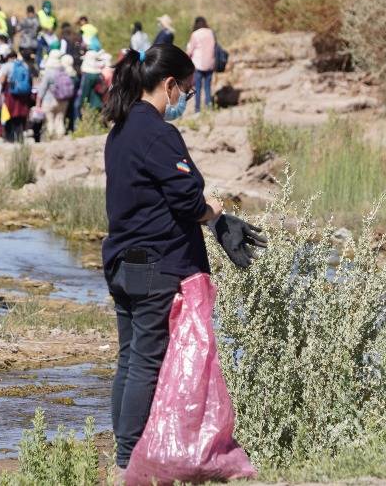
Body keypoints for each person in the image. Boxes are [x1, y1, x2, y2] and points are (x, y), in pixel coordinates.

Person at [100, 44, 265, 474]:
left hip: (122, 260)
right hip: (154, 264)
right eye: (188, 91)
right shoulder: (156, 132)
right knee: (146, 362)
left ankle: (124, 455)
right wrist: (218, 218)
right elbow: (188, 198)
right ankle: (130, 462)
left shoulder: (120, 129)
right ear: (169, 85)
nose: (187, 100)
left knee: (129, 356)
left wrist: (212, 218)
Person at [36, 50, 74, 139]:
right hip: (64, 100)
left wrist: (38, 102)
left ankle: (51, 139)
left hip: (49, 100)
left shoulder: (48, 72)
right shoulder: (64, 70)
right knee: (60, 120)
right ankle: (60, 138)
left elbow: (42, 88)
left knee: (49, 120)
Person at [0, 51, 32, 142]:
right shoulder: (24, 65)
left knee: (9, 113)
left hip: (11, 92)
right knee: (20, 114)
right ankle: (20, 137)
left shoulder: (6, 66)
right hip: (23, 94)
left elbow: (2, 80)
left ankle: (10, 137)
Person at [186, 16, 216, 112]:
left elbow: (190, 51)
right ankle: (209, 106)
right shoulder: (210, 32)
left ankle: (197, 109)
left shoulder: (195, 34)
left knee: (198, 87)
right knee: (207, 87)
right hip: (210, 64)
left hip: (198, 64)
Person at [36, 0, 57, 65]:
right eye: (46, 7)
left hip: (50, 36)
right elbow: (37, 25)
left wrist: (52, 30)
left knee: (50, 50)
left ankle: (49, 63)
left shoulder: (52, 15)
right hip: (41, 35)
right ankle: (39, 64)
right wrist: (45, 29)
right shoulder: (39, 14)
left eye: (49, 8)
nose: (48, 9)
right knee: (40, 50)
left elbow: (55, 24)